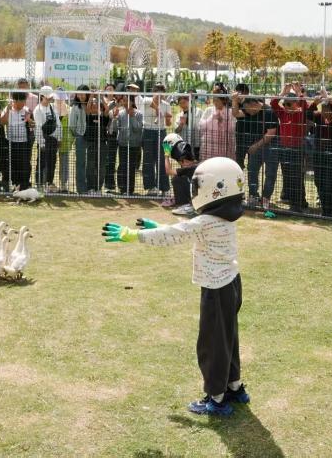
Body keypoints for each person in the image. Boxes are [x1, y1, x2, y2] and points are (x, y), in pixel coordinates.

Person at [101, 157, 249, 416]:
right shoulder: (225, 217)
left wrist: (134, 235)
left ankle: (216, 399)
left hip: (216, 289)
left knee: (212, 343)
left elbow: (178, 234)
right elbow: (185, 231)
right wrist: (160, 227)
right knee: (228, 337)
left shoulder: (206, 221)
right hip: (232, 283)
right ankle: (234, 387)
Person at [232, 93, 278, 209]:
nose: (247, 112)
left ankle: (266, 198)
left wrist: (256, 146)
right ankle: (253, 196)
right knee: (252, 171)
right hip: (256, 146)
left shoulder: (269, 112)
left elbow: (271, 133)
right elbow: (235, 113)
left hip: (271, 147)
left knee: (270, 173)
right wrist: (234, 100)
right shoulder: (249, 110)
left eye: (248, 109)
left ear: (254, 104)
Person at [270, 82, 308, 211]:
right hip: (284, 148)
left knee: (297, 177)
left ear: (296, 103)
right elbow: (273, 103)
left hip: (297, 149)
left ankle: (298, 203)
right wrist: (283, 92)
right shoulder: (283, 113)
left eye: (289, 104)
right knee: (288, 176)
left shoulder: (300, 113)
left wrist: (298, 92)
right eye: (284, 104)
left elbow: (304, 104)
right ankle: (295, 200)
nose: (285, 106)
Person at [308, 98, 332, 217]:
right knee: (319, 181)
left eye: (327, 110)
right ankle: (325, 210)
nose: (324, 112)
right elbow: (307, 114)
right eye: (322, 109)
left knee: (330, 183)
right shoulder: (319, 118)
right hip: (318, 154)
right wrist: (315, 103)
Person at [141, 83, 172, 196]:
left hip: (162, 132)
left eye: (162, 92)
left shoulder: (167, 105)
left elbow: (168, 124)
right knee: (148, 160)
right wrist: (159, 109)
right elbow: (152, 104)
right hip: (147, 131)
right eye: (157, 91)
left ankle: (164, 188)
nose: (159, 94)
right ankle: (151, 187)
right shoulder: (146, 100)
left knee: (163, 159)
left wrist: (167, 118)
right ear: (153, 92)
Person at [109, 95, 143, 195]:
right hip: (123, 143)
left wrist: (132, 117)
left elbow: (137, 129)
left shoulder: (138, 114)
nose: (125, 103)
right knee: (122, 166)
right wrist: (115, 118)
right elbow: (115, 129)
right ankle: (122, 188)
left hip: (134, 144)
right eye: (124, 101)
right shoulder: (121, 113)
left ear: (132, 102)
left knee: (131, 167)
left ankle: (130, 189)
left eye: (127, 101)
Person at [1, 92, 34, 191]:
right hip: (11, 142)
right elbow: (2, 122)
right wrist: (7, 110)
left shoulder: (27, 110)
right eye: (22, 101)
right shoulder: (7, 110)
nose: (24, 103)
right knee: (13, 164)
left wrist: (29, 120)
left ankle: (25, 185)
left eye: (24, 101)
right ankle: (15, 185)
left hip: (24, 142)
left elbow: (33, 125)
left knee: (25, 164)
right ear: (15, 101)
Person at [161, 132, 199, 216]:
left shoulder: (188, 169)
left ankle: (186, 206)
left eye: (180, 161)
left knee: (177, 179)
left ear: (184, 160)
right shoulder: (196, 165)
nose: (180, 163)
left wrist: (166, 155)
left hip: (201, 197)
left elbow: (168, 171)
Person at [33, 86, 62, 191]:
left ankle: (49, 183)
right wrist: (41, 143)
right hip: (44, 139)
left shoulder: (53, 107)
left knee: (52, 162)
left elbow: (58, 123)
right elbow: (38, 127)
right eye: (48, 96)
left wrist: (59, 138)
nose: (50, 98)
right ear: (42, 96)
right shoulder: (38, 110)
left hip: (53, 140)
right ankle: (39, 184)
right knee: (41, 162)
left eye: (50, 96)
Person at [199, 84, 235, 162]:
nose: (214, 102)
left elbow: (232, 129)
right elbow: (201, 125)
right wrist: (212, 118)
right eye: (214, 99)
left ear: (224, 100)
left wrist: (223, 121)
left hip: (225, 146)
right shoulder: (209, 110)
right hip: (209, 146)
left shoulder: (229, 112)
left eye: (217, 100)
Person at [83, 96, 111, 193]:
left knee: (101, 167)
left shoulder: (103, 118)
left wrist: (101, 98)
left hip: (102, 144)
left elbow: (107, 109)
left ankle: (98, 188)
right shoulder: (89, 117)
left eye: (97, 104)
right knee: (90, 166)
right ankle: (90, 187)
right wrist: (91, 96)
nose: (94, 105)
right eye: (93, 104)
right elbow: (87, 108)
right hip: (91, 144)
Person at [67, 86, 90, 194]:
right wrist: (78, 135)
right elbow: (71, 125)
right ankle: (81, 188)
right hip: (80, 137)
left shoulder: (93, 104)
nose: (81, 96)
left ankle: (90, 186)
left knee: (90, 162)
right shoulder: (75, 107)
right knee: (80, 163)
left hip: (92, 137)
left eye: (83, 93)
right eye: (79, 94)